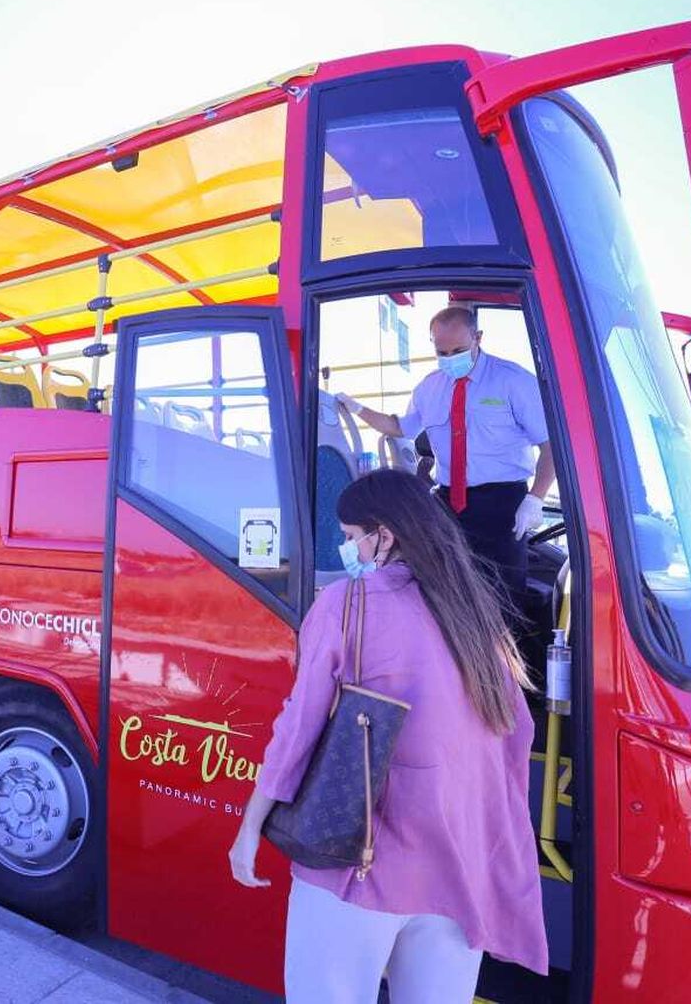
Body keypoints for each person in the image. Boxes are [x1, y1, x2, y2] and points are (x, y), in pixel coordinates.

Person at [228, 470, 547, 1003]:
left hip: (360, 866)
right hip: (458, 874)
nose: (347, 548)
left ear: (385, 535)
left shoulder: (346, 604)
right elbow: (514, 744)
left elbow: (298, 726)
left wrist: (250, 823)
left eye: (352, 536)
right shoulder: (477, 613)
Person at [338, 306, 553, 595]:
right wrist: (356, 408)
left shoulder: (512, 381)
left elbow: (549, 446)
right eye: (442, 353)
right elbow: (399, 427)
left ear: (478, 337)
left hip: (503, 504)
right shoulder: (429, 388)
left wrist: (535, 498)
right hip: (449, 504)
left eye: (458, 350)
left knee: (504, 594)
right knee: (447, 591)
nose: (450, 359)